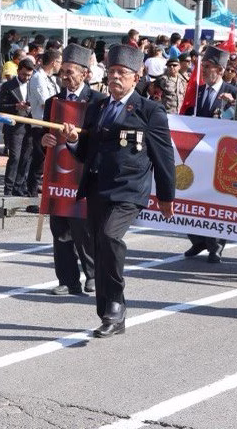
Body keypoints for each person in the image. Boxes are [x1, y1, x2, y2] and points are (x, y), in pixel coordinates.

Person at [46, 44, 175, 338]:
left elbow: (164, 156)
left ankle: (115, 302)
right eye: (112, 71)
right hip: (97, 187)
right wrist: (73, 140)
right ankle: (109, 314)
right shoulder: (98, 108)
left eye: (122, 73)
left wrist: (166, 196)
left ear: (136, 77)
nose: (115, 77)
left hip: (129, 188)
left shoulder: (150, 110)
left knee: (110, 236)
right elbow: (86, 153)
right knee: (99, 247)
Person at [42, 44, 106, 296]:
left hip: (85, 175)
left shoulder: (98, 102)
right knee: (60, 229)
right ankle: (68, 280)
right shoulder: (53, 102)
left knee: (83, 228)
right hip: (58, 175)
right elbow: (42, 135)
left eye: (70, 72)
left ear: (84, 73)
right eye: (63, 71)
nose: (65, 76)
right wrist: (44, 140)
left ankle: (93, 274)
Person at [184, 45, 237, 262]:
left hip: (221, 155)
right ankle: (198, 240)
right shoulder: (196, 91)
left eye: (207, 66)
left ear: (220, 70)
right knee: (190, 195)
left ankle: (216, 246)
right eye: (202, 66)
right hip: (196, 153)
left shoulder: (233, 91)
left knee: (216, 201)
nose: (203, 70)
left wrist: (232, 104)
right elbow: (187, 115)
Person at [26, 49, 61, 197]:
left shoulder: (52, 79)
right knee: (39, 160)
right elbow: (45, 101)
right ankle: (32, 194)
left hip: (52, 123)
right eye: (59, 62)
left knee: (48, 161)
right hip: (40, 124)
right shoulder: (38, 78)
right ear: (53, 62)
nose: (60, 66)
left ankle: (42, 190)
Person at [0, 59, 34, 196]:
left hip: (30, 125)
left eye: (29, 75)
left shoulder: (32, 84)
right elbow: (0, 107)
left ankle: (19, 186)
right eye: (24, 74)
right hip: (14, 127)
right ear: (18, 71)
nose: (26, 78)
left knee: (26, 157)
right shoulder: (8, 86)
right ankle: (8, 188)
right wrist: (15, 106)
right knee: (15, 157)